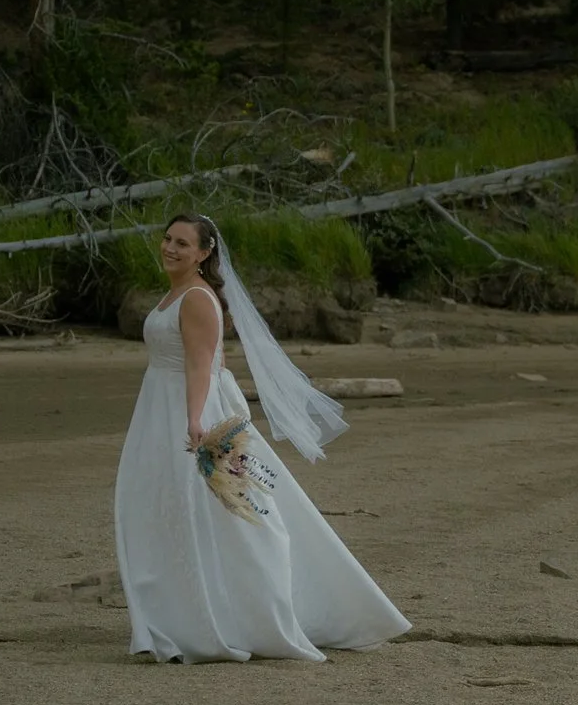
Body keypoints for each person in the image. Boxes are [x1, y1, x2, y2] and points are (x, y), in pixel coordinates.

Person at [112, 213, 408, 662]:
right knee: (168, 505)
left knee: (231, 507)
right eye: (168, 239)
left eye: (183, 244)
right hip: (160, 405)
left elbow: (200, 365)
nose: (171, 248)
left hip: (186, 410)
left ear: (204, 253)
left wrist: (196, 421)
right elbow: (220, 362)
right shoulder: (178, 294)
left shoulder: (196, 297)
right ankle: (175, 615)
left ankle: (244, 613)